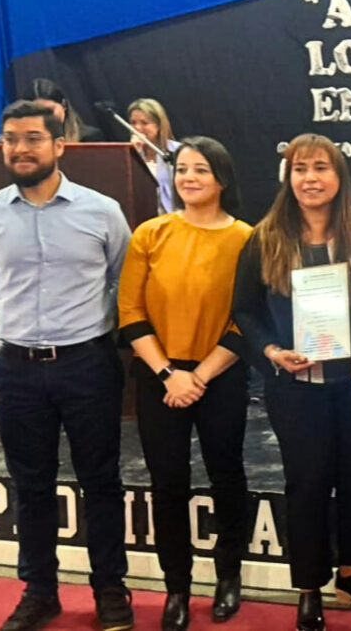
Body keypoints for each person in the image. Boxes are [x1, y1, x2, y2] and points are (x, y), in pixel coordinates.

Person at [0, 100, 132, 631]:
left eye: (33, 137)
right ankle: (40, 591)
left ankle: (110, 588)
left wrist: (79, 329)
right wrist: (24, 329)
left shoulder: (101, 210)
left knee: (100, 480)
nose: (19, 147)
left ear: (59, 146)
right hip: (15, 370)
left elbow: (120, 281)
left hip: (87, 364)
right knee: (29, 484)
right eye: (11, 138)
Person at [232, 133, 351, 631]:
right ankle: (307, 586)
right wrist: (272, 352)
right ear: (288, 177)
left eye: (321, 168)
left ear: (340, 178)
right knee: (308, 482)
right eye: (300, 169)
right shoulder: (264, 239)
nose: (310, 178)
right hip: (295, 387)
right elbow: (245, 312)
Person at [117, 136, 251, 631]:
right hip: (160, 376)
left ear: (222, 179)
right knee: (167, 482)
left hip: (219, 375)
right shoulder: (150, 234)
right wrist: (170, 374)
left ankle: (229, 576)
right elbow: (129, 311)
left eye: (200, 169)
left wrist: (200, 375)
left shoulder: (246, 239)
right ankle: (177, 586)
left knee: (227, 476)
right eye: (181, 169)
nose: (188, 178)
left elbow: (248, 319)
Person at [127, 98, 182, 214]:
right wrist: (134, 153)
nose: (137, 128)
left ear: (158, 125)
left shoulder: (178, 151)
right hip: (141, 215)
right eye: (133, 123)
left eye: (144, 123)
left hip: (173, 215)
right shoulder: (127, 153)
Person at [23, 77, 105, 142]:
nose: (44, 118)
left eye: (49, 111)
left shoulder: (89, 137)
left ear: (64, 105)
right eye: (36, 113)